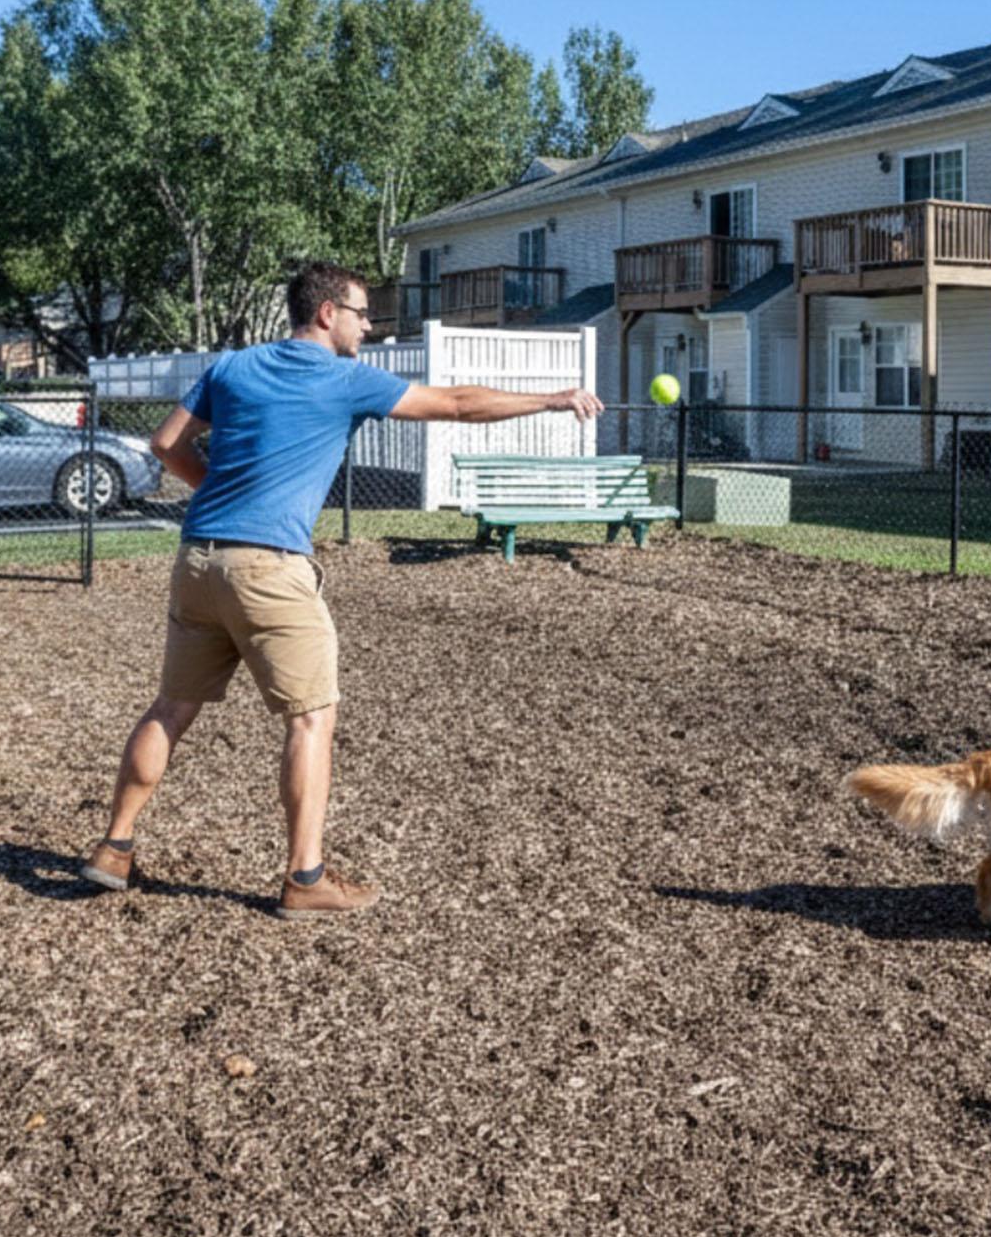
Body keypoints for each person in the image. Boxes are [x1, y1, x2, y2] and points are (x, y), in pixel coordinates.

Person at [80, 261, 602, 916]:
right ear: (327, 313)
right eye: (362, 313)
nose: (368, 326)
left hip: (197, 559)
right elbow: (458, 405)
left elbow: (165, 442)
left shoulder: (233, 368)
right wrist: (552, 399)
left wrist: (215, 495)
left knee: (171, 709)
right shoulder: (345, 378)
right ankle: (305, 880)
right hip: (269, 570)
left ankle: (114, 848)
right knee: (310, 720)